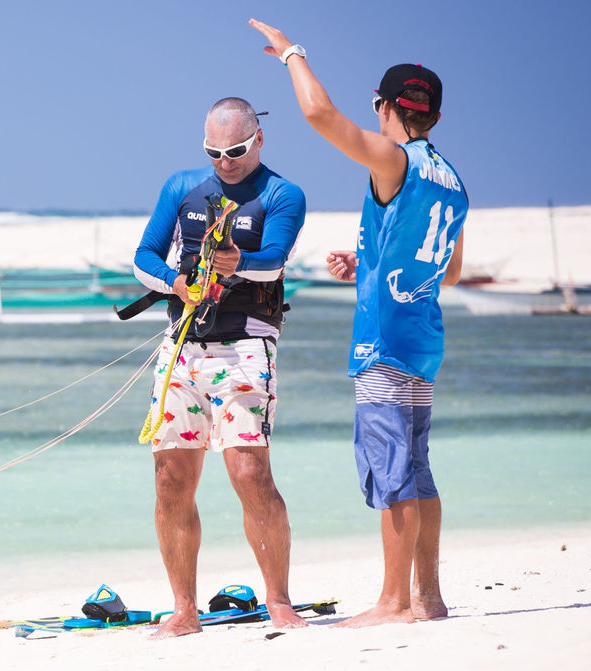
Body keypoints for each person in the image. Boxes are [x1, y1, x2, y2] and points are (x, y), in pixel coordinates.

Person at [249, 19, 469, 628]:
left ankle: (395, 602)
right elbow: (447, 273)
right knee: (418, 468)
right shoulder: (453, 183)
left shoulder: (394, 160)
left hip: (386, 341)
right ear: (437, 118)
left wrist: (292, 54)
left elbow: (321, 116)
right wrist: (367, 262)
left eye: (377, 105)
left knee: (392, 471)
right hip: (424, 339)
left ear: (387, 107)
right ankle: (429, 597)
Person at [131, 97, 308, 638]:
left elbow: (275, 261)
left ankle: (279, 601)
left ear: (258, 140)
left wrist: (238, 263)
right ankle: (184, 610)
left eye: (233, 150)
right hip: (183, 342)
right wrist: (176, 283)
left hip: (247, 343)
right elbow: (144, 257)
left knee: (250, 474)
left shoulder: (282, 194)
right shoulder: (181, 186)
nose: (223, 161)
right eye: (213, 151)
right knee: (171, 479)